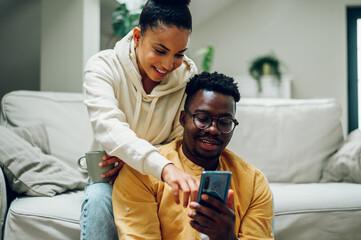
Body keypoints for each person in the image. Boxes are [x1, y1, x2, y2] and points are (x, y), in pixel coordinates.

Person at [80, 0, 199, 239]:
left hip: (155, 182)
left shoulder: (188, 76)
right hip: (110, 178)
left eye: (179, 54)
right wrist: (163, 166)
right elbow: (109, 127)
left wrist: (138, 163)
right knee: (97, 200)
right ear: (137, 36)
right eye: (160, 50)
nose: (168, 64)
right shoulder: (102, 67)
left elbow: (181, 138)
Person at [113, 72, 274, 240]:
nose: (213, 129)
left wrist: (226, 237)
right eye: (203, 118)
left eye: (225, 122)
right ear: (183, 119)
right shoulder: (142, 173)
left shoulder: (254, 181)